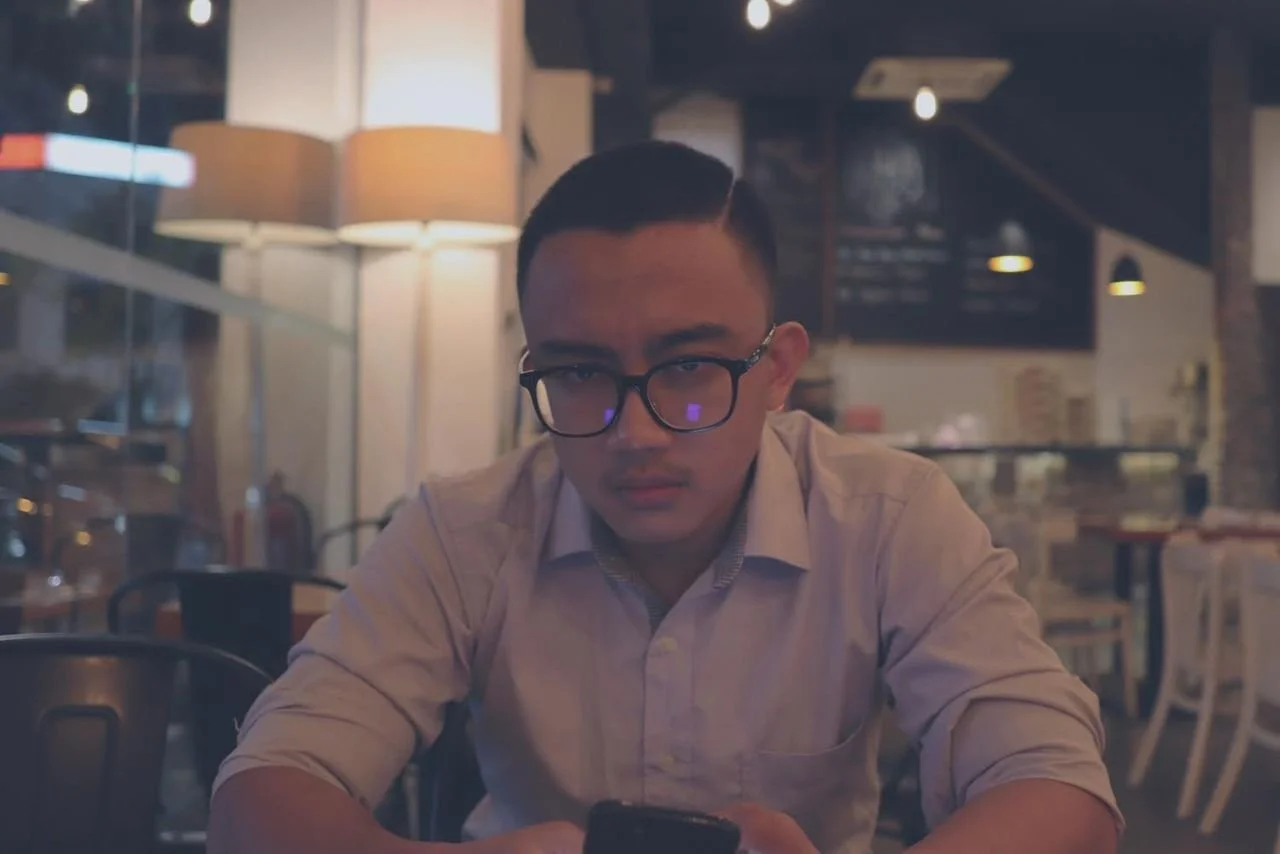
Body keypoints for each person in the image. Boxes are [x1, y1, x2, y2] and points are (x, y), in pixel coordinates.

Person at [208, 141, 1121, 854]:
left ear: (777, 372)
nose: (634, 432)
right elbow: (262, 797)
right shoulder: (463, 530)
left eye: (689, 368)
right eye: (579, 374)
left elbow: (1062, 793)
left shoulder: (889, 517)